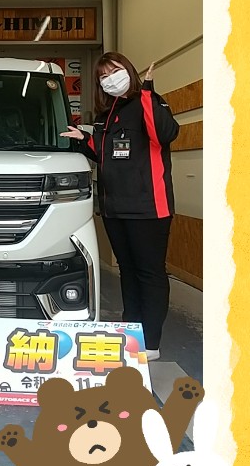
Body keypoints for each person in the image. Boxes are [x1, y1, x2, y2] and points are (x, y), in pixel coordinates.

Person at [61, 52, 180, 361]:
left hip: (148, 207)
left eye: (114, 71)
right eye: (103, 76)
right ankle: (132, 331)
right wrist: (82, 139)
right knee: (127, 271)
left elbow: (164, 134)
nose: (109, 79)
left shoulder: (149, 103)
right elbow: (105, 154)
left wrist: (148, 91)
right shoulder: (108, 113)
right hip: (115, 208)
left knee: (149, 273)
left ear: (128, 70)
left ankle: (150, 342)